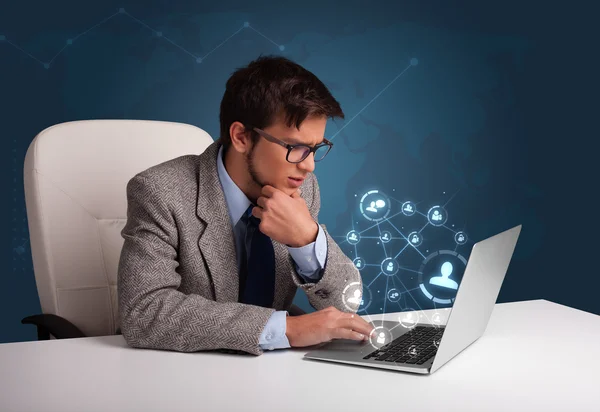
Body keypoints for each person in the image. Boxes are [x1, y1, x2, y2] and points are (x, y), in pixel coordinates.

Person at [117, 55, 374, 355]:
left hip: (271, 376)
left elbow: (345, 302)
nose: (310, 167)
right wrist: (287, 329)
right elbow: (143, 312)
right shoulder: (160, 192)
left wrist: (306, 240)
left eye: (316, 149)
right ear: (241, 137)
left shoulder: (301, 188)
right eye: (295, 148)